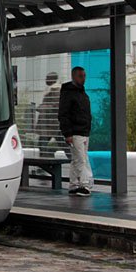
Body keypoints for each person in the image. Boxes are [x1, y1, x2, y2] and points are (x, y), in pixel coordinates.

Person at [58, 66, 93, 197]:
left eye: (84, 76)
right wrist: (67, 133)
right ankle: (84, 185)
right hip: (75, 132)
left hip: (83, 132)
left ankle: (73, 184)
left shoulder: (82, 93)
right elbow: (63, 114)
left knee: (77, 159)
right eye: (80, 76)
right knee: (81, 159)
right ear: (73, 76)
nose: (83, 78)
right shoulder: (69, 94)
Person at [36, 72, 62, 157]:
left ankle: (44, 164)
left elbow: (56, 105)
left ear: (52, 79)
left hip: (50, 125)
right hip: (50, 124)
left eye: (47, 78)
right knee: (42, 145)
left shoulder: (56, 90)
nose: (46, 80)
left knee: (42, 145)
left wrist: (41, 107)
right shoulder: (51, 90)